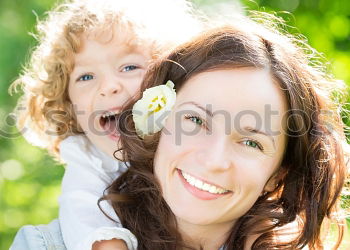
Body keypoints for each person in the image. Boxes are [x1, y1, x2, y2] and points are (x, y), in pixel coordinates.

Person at [105, 13, 349, 249]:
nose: (214, 160)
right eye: (196, 120)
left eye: (251, 143)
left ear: (278, 175)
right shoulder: (80, 235)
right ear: (158, 118)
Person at [10, 0, 203, 249]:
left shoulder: (189, 135)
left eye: (129, 67)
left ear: (169, 76)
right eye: (86, 76)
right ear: (68, 103)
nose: (108, 86)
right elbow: (82, 205)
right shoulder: (87, 156)